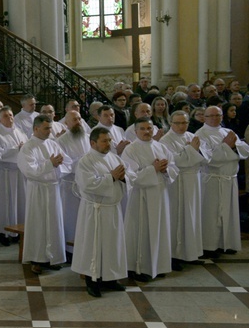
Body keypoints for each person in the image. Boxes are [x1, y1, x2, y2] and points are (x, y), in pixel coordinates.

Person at [71, 127, 128, 297]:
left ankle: (110, 278)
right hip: (94, 210)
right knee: (92, 245)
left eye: (110, 140)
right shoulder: (86, 161)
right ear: (93, 142)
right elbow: (88, 184)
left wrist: (124, 177)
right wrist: (111, 177)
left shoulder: (114, 157)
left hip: (112, 209)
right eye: (104, 141)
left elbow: (128, 176)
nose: (108, 144)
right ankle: (92, 280)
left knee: (112, 244)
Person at [122, 118, 177, 282]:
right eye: (143, 129)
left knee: (160, 229)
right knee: (143, 230)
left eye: (149, 128)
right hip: (142, 195)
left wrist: (166, 170)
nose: (147, 131)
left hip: (160, 194)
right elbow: (131, 176)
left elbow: (174, 168)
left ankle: (158, 266)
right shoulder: (130, 150)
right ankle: (139, 267)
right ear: (136, 131)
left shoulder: (161, 147)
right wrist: (153, 169)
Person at [18, 114, 71, 274]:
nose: (49, 131)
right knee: (38, 223)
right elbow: (29, 170)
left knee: (53, 223)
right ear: (36, 128)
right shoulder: (28, 147)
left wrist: (57, 167)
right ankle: (37, 259)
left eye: (50, 128)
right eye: (46, 128)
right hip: (38, 190)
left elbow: (67, 163)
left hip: (53, 188)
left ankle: (53, 257)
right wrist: (50, 164)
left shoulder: (53, 144)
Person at [195, 105, 249, 256]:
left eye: (218, 115)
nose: (214, 118)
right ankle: (210, 246)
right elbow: (209, 159)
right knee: (211, 214)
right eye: (211, 115)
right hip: (212, 180)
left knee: (229, 213)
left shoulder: (228, 132)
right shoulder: (200, 134)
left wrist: (230, 149)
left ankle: (228, 243)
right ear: (204, 118)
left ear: (222, 116)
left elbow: (244, 150)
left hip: (229, 179)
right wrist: (227, 146)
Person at [158, 111, 206, 270]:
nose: (181, 126)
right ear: (171, 123)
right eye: (177, 123)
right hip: (178, 181)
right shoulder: (165, 140)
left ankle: (191, 253)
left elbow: (206, 156)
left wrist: (193, 150)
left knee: (192, 216)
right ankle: (175, 255)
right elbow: (175, 161)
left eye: (184, 123)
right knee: (178, 217)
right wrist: (191, 150)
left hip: (193, 180)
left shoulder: (192, 136)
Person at [0, 106, 28, 245]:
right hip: (4, 173)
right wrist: (16, 149)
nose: (10, 118)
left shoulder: (20, 132)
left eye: (11, 115)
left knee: (19, 202)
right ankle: (3, 232)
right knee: (4, 202)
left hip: (18, 172)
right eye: (5, 116)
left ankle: (17, 231)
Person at [56, 111, 89, 253]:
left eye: (79, 119)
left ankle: (84, 247)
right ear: (66, 123)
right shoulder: (61, 141)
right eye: (74, 119)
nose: (78, 122)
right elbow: (64, 164)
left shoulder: (88, 137)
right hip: (70, 184)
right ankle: (69, 249)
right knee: (71, 217)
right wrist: (83, 161)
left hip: (87, 184)